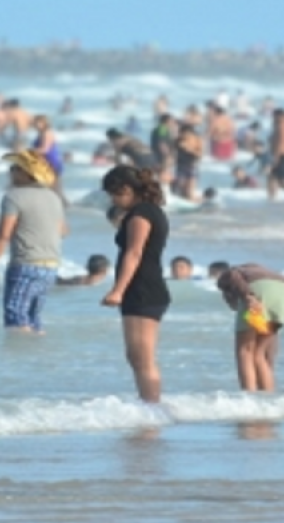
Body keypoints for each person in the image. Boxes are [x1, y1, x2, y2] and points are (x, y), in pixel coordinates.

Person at [101, 165, 171, 403]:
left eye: (115, 193)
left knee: (142, 357)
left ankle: (152, 410)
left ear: (129, 189)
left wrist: (117, 291)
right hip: (145, 288)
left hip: (143, 289)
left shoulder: (141, 214)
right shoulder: (151, 211)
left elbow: (134, 253)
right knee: (137, 356)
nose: (113, 199)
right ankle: (149, 405)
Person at [0, 151, 66, 333]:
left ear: (26, 173)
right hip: (51, 266)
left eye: (14, 169)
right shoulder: (53, 197)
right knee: (34, 321)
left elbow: (4, 234)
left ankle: (17, 361)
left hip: (26, 264)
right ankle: (37, 360)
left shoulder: (14, 196)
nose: (10, 172)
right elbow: (62, 231)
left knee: (16, 320)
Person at [217, 264, 284, 392]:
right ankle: (268, 398)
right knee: (260, 354)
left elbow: (232, 276)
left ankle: (249, 397)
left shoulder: (235, 272)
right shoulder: (266, 272)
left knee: (245, 350)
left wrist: (248, 296)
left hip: (258, 289)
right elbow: (272, 349)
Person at [32, 115, 67, 204]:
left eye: (38, 122)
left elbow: (45, 149)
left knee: (55, 190)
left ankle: (65, 209)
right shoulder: (41, 133)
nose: (35, 124)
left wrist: (29, 152)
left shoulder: (47, 133)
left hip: (51, 163)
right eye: (35, 122)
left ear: (44, 123)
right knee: (50, 189)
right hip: (44, 164)